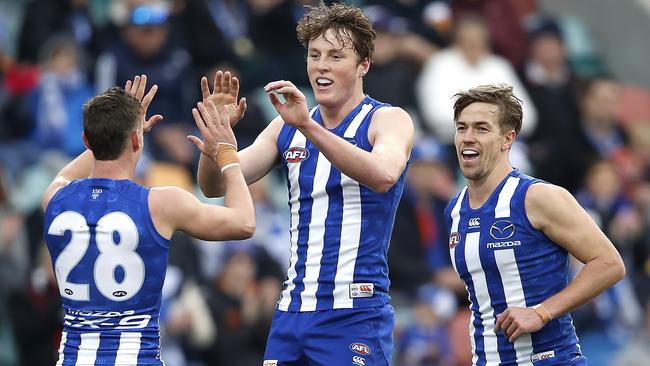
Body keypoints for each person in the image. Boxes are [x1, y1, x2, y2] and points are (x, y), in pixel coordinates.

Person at [195, 3, 414, 365]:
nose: (321, 65)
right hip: (292, 310)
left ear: (364, 65)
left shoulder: (387, 119)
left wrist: (309, 127)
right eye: (314, 55)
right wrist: (215, 141)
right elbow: (216, 185)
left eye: (335, 56)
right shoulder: (285, 126)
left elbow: (383, 175)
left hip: (354, 311)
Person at [41, 74, 254, 364]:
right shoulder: (161, 203)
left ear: (85, 140)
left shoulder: (54, 198)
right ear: (137, 139)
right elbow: (244, 222)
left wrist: (120, 131)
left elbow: (68, 172)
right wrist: (225, 149)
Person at [444, 84, 625, 365]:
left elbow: (610, 263)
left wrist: (541, 312)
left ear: (507, 139)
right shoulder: (454, 209)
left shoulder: (538, 197)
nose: (468, 137)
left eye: (481, 128)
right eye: (462, 128)